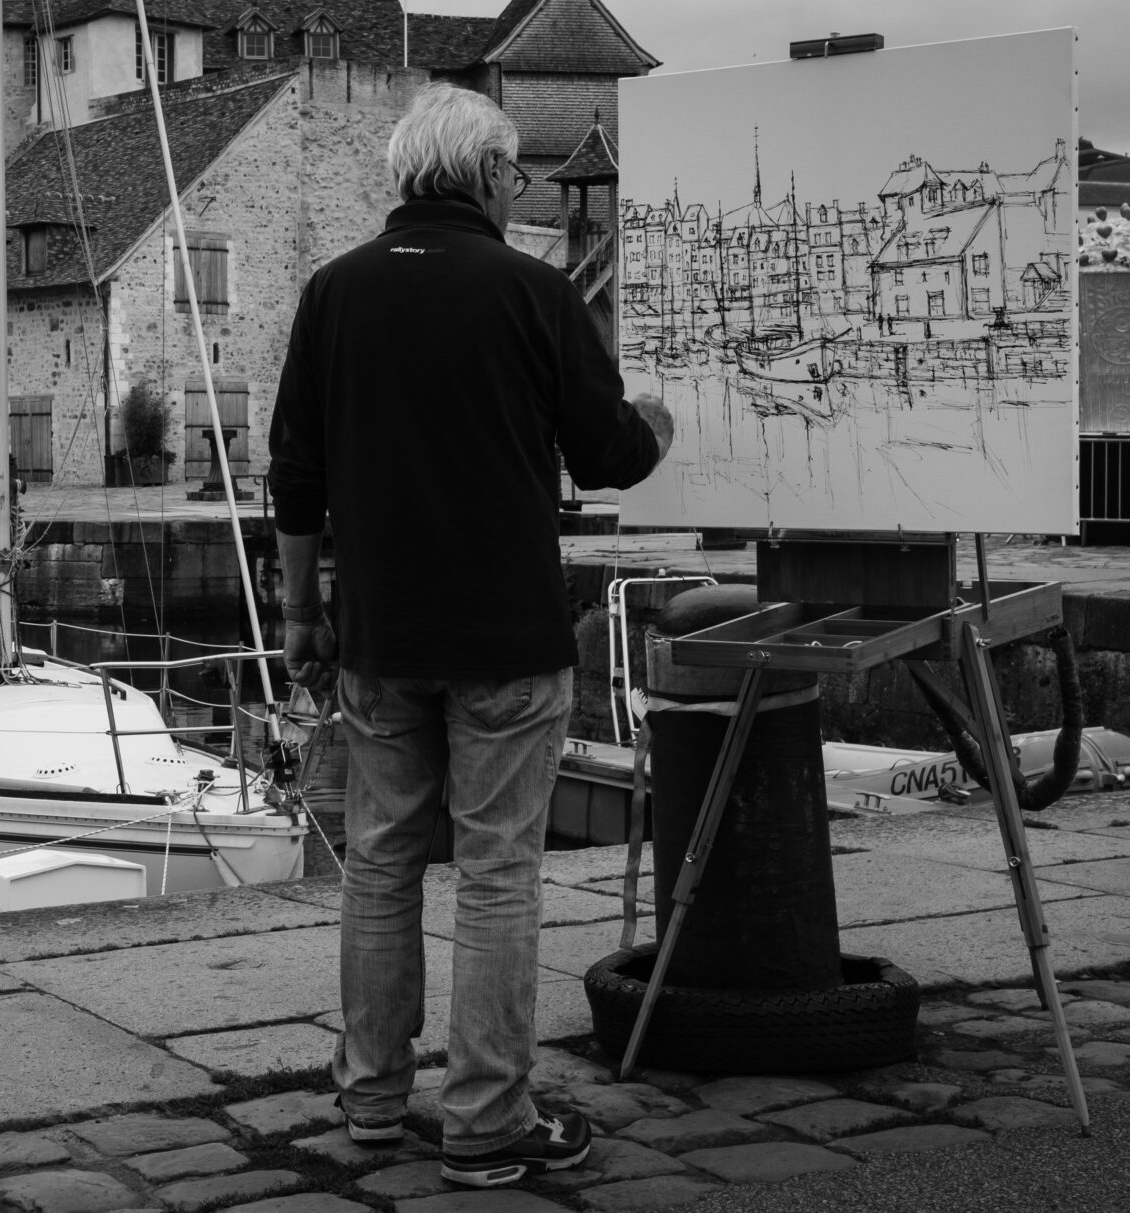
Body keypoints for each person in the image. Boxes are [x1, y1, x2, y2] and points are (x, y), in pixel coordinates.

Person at [267, 83, 673, 1190]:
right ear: (489, 178)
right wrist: (664, 419)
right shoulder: (532, 290)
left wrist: (304, 614)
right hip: (502, 630)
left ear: (405, 177)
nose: (517, 189)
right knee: (497, 873)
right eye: (512, 176)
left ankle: (369, 1103)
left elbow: (294, 481)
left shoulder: (332, 293)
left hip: (379, 635)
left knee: (381, 867)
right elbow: (610, 456)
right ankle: (488, 1114)